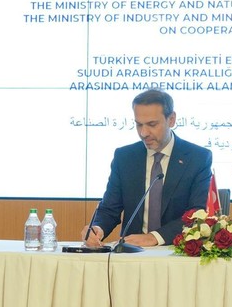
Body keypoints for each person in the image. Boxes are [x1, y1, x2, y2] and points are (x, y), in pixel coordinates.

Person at [82, 89, 212, 248]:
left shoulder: (197, 158)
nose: (143, 133)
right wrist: (97, 228)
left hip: (176, 251)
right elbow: (109, 208)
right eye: (139, 124)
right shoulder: (125, 157)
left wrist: (154, 237)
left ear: (171, 120)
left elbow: (197, 213)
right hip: (132, 252)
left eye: (152, 124)